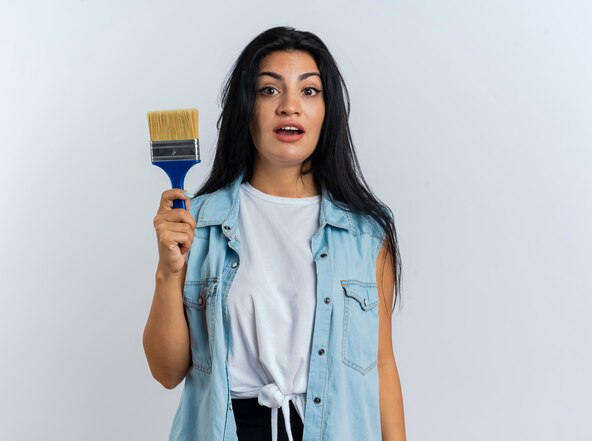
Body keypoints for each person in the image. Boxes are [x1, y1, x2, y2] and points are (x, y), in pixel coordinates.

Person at [143, 26, 407, 441]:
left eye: (309, 91)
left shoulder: (367, 233)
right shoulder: (201, 222)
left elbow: (383, 364)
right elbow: (166, 371)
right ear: (246, 108)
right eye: (269, 91)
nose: (289, 107)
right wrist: (168, 271)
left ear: (328, 110)